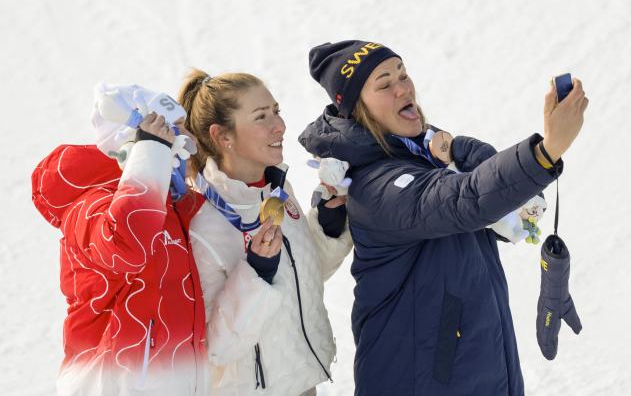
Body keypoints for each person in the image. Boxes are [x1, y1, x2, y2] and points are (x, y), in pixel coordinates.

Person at [298, 40, 588, 395]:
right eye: (385, 84)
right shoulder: (376, 185)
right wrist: (545, 152)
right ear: (358, 109)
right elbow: (466, 199)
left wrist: (457, 150)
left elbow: (514, 204)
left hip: (476, 373)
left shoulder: (423, 155)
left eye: (403, 74)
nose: (403, 88)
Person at [177, 70, 353, 395]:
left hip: (301, 381)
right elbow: (216, 348)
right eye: (261, 117)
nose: (279, 126)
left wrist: (329, 223)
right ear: (222, 136)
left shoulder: (275, 189)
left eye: (276, 111)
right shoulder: (204, 222)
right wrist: (257, 271)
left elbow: (299, 274)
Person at [31, 84, 208, 395]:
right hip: (112, 382)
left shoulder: (168, 206)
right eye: (177, 134)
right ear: (135, 141)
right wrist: (152, 152)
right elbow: (127, 246)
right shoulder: (89, 205)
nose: (191, 145)